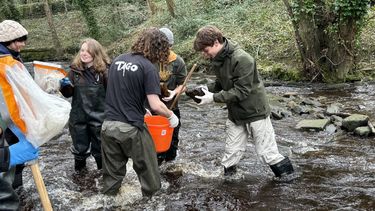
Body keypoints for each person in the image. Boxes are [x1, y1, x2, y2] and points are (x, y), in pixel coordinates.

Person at [193, 25, 294, 179]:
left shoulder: (243, 59)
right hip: (235, 114)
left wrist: (212, 98)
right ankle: (231, 187)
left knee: (268, 154)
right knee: (230, 156)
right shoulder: (218, 60)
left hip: (255, 112)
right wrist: (202, 90)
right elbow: (221, 85)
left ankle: (289, 182)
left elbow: (241, 91)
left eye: (205, 50)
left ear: (215, 42)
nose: (204, 55)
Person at [101, 27, 179, 197]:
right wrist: (171, 116)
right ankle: (153, 204)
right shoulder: (148, 67)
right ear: (159, 48)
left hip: (108, 126)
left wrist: (141, 108)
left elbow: (118, 91)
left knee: (111, 179)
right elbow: (156, 105)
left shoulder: (117, 60)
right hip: (131, 129)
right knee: (149, 174)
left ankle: (108, 203)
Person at [0, 19, 39, 209]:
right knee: (9, 163)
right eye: (19, 40)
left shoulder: (12, 57)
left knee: (15, 162)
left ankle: (18, 191)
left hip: (14, 120)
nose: (23, 44)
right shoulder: (4, 62)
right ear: (7, 41)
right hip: (7, 122)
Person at [60, 38, 111, 172]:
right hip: (78, 118)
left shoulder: (105, 71)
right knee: (79, 151)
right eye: (82, 50)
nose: (84, 54)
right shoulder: (74, 71)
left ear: (96, 53)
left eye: (88, 51)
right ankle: (81, 181)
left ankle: (103, 179)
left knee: (101, 151)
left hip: (100, 118)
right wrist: (64, 86)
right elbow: (67, 95)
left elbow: (113, 95)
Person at [155, 27, 187, 165]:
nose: (164, 50)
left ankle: (170, 166)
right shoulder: (148, 60)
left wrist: (175, 92)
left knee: (172, 141)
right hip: (151, 109)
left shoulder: (178, 62)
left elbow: (183, 85)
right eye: (161, 46)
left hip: (171, 108)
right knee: (152, 143)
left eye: (167, 46)